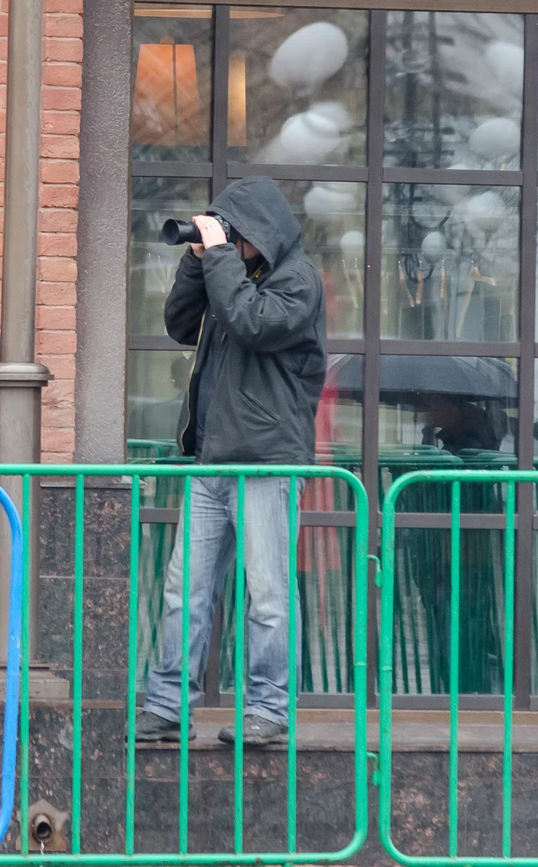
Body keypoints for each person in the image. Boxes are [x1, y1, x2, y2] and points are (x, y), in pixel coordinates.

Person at [139, 176, 326, 747]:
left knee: (267, 596)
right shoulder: (230, 274)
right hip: (213, 459)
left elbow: (251, 322)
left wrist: (220, 257)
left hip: (266, 461)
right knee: (184, 592)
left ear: (258, 233)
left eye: (234, 234)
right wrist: (198, 261)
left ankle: (268, 710)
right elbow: (179, 323)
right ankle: (167, 706)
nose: (226, 243)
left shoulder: (298, 280)